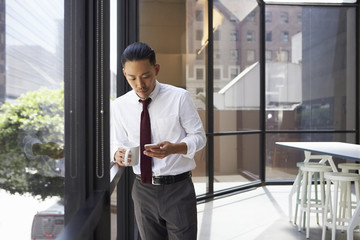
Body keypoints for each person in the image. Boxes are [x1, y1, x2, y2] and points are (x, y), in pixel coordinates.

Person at [111, 42, 206, 240]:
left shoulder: (179, 97)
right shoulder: (119, 106)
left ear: (156, 69)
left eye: (146, 76)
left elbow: (199, 137)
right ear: (124, 74)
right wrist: (116, 154)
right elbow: (117, 142)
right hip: (142, 190)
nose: (140, 84)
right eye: (132, 78)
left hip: (178, 189)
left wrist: (175, 148)